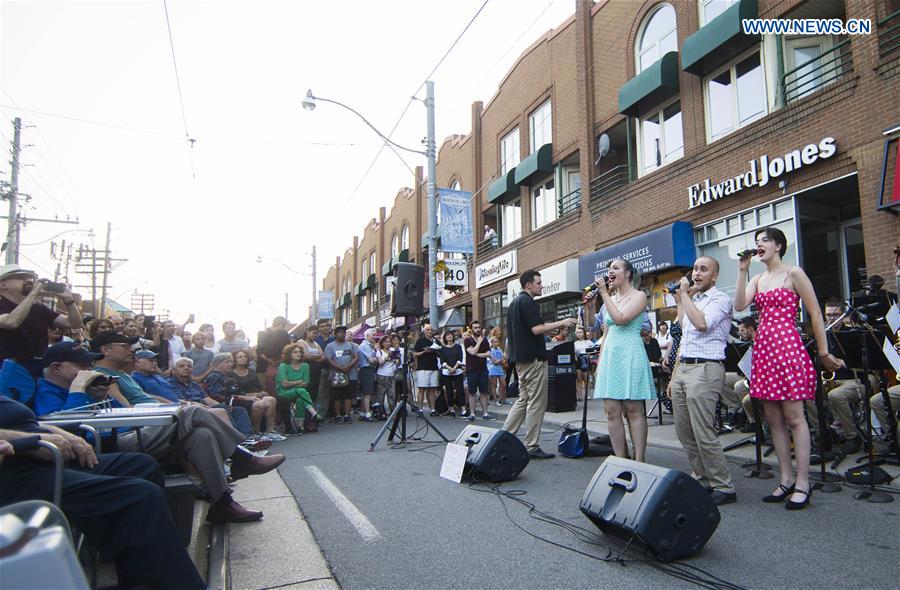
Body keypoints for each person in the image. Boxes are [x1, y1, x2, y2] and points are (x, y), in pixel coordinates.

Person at [0, 395, 207, 589]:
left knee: (141, 465)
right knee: (139, 497)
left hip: (43, 456)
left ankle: (139, 579)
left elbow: (27, 420)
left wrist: (59, 433)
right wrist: (32, 440)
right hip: (16, 472)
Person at [734, 227, 843, 510]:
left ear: (779, 246)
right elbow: (739, 304)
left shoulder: (793, 273)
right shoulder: (757, 278)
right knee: (773, 419)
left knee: (795, 417)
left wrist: (823, 351)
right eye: (756, 241)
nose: (759, 245)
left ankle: (803, 482)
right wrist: (742, 271)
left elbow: (816, 312)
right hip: (765, 351)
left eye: (764, 241)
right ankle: (785, 479)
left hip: (788, 348)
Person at [669, 256, 737, 505]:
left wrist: (685, 295)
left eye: (703, 270)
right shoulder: (693, 300)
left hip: (706, 368)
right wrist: (674, 376)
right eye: (695, 268)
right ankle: (702, 478)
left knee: (702, 431)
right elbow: (683, 339)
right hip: (685, 368)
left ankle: (724, 485)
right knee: (684, 430)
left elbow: (701, 324)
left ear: (715, 276)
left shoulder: (720, 299)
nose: (696, 273)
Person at [502, 270, 577, 459]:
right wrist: (562, 321)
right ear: (528, 285)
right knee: (536, 403)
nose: (541, 286)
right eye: (538, 283)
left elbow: (527, 331)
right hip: (533, 361)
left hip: (521, 360)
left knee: (523, 400)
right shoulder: (527, 302)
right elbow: (536, 329)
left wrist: (548, 332)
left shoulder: (514, 304)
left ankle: (503, 437)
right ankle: (532, 446)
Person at [588, 260, 654, 463]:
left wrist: (604, 295)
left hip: (631, 354)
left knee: (634, 409)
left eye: (615, 268)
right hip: (611, 355)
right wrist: (591, 307)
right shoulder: (610, 298)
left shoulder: (639, 296)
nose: (610, 272)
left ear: (627, 274)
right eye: (609, 269)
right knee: (611, 411)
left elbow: (622, 319)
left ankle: (639, 459)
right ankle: (620, 460)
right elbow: (600, 329)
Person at [0, 265, 84, 375]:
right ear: (3, 285)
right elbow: (11, 322)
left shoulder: (38, 308)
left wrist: (69, 301)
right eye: (21, 277)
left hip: (38, 367)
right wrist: (33, 294)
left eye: (29, 278)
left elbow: (74, 323)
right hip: (8, 370)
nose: (28, 280)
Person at [229, 349, 281, 438]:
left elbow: (259, 387)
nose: (243, 358)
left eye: (245, 356)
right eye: (240, 357)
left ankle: (270, 431)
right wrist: (253, 395)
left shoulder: (251, 371)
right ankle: (256, 432)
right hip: (242, 398)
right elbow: (236, 392)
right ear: (234, 360)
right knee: (259, 404)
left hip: (256, 395)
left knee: (271, 399)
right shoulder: (230, 374)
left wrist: (262, 392)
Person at [276, 343, 320, 433]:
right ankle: (313, 413)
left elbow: (306, 383)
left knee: (301, 398)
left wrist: (291, 383)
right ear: (289, 354)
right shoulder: (283, 366)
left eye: (300, 352)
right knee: (302, 391)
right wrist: (298, 382)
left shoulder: (305, 366)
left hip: (299, 393)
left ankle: (300, 426)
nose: (298, 354)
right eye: (295, 352)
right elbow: (284, 384)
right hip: (283, 393)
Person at [324, 325, 359, 424]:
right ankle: (338, 415)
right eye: (340, 332)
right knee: (337, 396)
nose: (342, 334)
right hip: (336, 375)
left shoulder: (351, 345)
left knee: (348, 396)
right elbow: (328, 359)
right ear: (335, 334)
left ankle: (347, 415)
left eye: (344, 332)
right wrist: (340, 367)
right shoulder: (330, 346)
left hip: (350, 374)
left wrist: (348, 366)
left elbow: (356, 357)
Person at [464, 320, 496, 421]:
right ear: (471, 329)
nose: (477, 329)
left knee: (484, 392)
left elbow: (488, 354)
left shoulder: (485, 340)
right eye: (475, 328)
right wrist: (479, 342)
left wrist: (477, 354)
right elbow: (472, 351)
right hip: (471, 370)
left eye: (478, 327)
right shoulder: (467, 340)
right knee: (472, 392)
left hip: (483, 369)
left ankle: (485, 413)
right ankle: (472, 414)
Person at [258, 316, 291, 395]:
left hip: (278, 366)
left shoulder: (283, 335)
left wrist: (279, 360)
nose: (285, 329)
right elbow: (259, 351)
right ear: (280, 325)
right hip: (263, 367)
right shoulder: (264, 334)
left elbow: (286, 349)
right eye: (284, 326)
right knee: (264, 390)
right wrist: (270, 361)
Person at [413, 324, 440, 414]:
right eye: (428, 329)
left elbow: (441, 351)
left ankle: (433, 409)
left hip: (434, 367)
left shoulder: (436, 341)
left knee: (432, 389)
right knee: (422, 389)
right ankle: (420, 409)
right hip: (423, 368)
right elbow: (415, 354)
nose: (430, 331)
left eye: (431, 329)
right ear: (424, 331)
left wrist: (436, 350)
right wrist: (425, 351)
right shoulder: (420, 341)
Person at [439, 331, 465, 417]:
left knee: (460, 389)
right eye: (448, 335)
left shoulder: (458, 347)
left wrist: (454, 368)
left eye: (451, 335)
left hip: (457, 371)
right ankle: (451, 409)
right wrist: (450, 368)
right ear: (445, 338)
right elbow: (442, 361)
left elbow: (460, 358)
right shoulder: (442, 349)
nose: (450, 337)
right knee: (448, 390)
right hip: (447, 372)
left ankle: (463, 408)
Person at [299, 325, 325, 408]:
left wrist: (313, 357)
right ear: (307, 332)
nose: (315, 335)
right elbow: (307, 356)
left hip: (316, 371)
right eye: (313, 333)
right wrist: (318, 355)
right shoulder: (301, 342)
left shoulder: (316, 344)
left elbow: (323, 356)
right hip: (306, 370)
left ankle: (313, 414)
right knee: (307, 390)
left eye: (316, 334)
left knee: (315, 391)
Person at [357, 328, 378, 421]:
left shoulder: (369, 345)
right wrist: (378, 354)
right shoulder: (365, 346)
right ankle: (368, 414)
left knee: (365, 393)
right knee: (368, 393)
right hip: (366, 369)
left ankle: (363, 413)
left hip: (367, 369)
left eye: (375, 334)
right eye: (373, 335)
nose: (375, 337)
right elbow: (372, 360)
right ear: (367, 336)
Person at [374, 335, 397, 413]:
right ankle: (381, 412)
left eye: (389, 341)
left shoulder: (393, 350)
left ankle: (393, 412)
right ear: (382, 343)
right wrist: (387, 357)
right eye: (386, 342)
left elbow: (397, 363)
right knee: (381, 395)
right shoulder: (379, 352)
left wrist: (398, 358)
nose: (388, 343)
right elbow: (380, 363)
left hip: (391, 375)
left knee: (392, 395)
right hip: (382, 375)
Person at [488, 336, 507, 406]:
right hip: (493, 369)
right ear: (492, 343)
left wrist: (500, 361)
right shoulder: (490, 351)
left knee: (504, 384)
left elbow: (503, 360)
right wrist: (500, 361)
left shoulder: (500, 350)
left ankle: (502, 399)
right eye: (495, 342)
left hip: (500, 368)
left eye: (497, 342)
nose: (497, 343)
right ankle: (496, 400)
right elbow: (494, 362)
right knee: (494, 385)